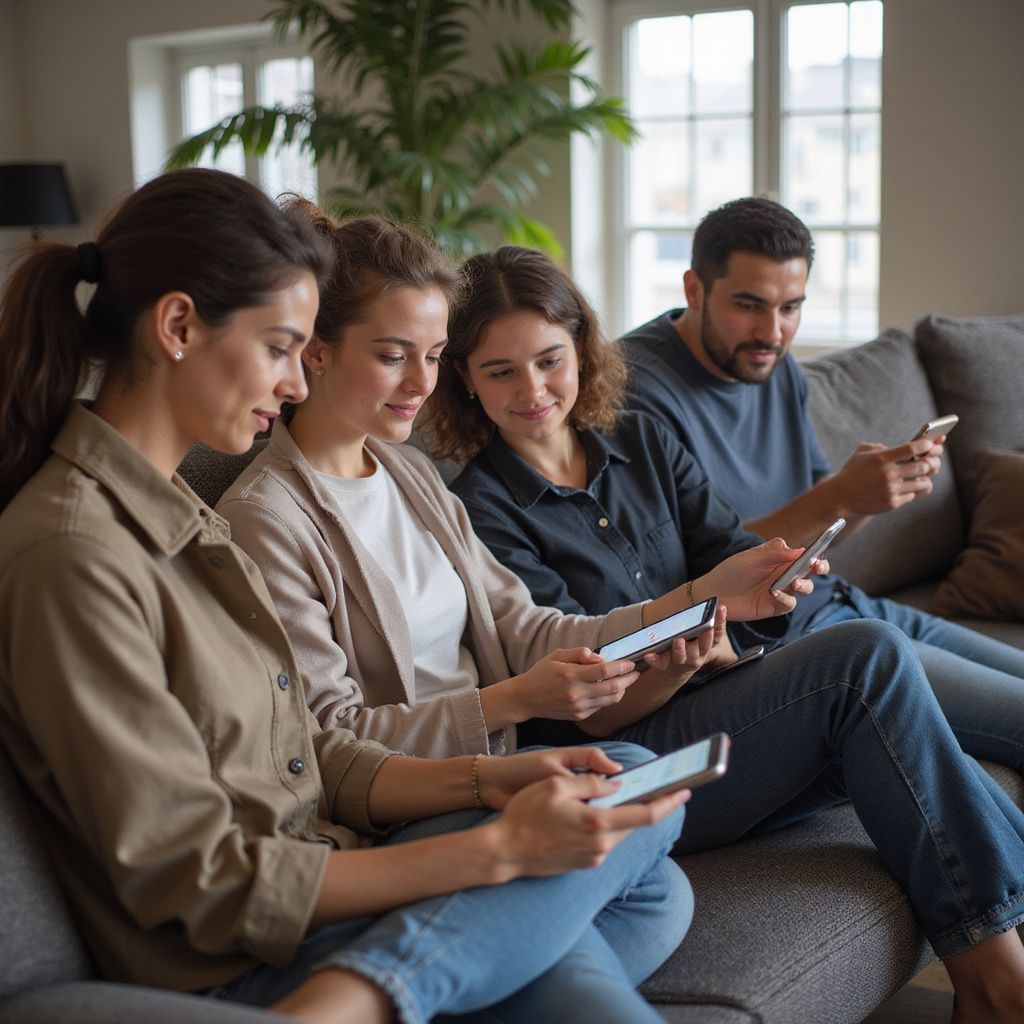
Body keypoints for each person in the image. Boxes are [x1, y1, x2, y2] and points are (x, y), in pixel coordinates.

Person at [219, 214, 1024, 1021]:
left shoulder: (405, 472)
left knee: (660, 891)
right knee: (858, 668)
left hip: (546, 756)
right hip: (455, 788)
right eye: (396, 357)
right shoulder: (272, 518)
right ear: (313, 352)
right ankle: (998, 978)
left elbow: (527, 627)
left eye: (429, 358)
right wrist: (517, 702)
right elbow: (328, 743)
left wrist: (703, 602)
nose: (420, 384)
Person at [0, 168, 698, 1024]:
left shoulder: (181, 511)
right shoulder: (75, 554)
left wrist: (496, 779)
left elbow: (309, 755)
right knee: (611, 879)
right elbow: (200, 877)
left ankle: (434, 975)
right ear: (179, 325)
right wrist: (497, 852)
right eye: (280, 347)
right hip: (251, 950)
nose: (297, 384)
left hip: (337, 855)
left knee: (633, 822)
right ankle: (362, 998)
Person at [619, 195, 1024, 774]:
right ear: (693, 289)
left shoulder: (775, 368)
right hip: (782, 650)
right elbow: (692, 579)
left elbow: (820, 537)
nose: (773, 331)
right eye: (748, 305)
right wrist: (837, 495)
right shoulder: (635, 398)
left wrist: (866, 497)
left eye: (791, 307)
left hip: (845, 607)